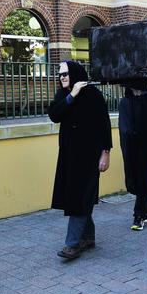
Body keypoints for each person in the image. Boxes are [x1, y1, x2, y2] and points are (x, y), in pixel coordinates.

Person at [49, 61, 112, 260]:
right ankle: (88, 237)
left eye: (66, 73)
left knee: (80, 196)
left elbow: (104, 125)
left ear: (75, 73)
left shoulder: (93, 94)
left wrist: (106, 152)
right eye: (60, 74)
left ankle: (72, 244)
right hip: (69, 156)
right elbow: (54, 115)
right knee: (80, 196)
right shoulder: (63, 95)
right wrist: (71, 95)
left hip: (89, 156)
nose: (62, 77)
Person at [118, 87, 147, 230]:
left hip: (145, 146)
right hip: (129, 146)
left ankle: (139, 215)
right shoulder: (125, 102)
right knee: (132, 180)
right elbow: (123, 125)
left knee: (142, 178)